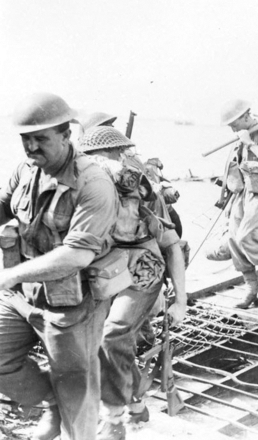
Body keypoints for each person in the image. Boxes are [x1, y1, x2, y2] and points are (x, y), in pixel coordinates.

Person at [0, 93, 119, 439]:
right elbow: (3, 207)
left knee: (77, 394)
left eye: (41, 139)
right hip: (23, 295)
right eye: (26, 139)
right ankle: (50, 404)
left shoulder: (93, 182)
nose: (31, 148)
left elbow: (75, 256)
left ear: (67, 136)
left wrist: (8, 276)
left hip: (74, 303)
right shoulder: (25, 170)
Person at [77, 126, 186, 439]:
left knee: (111, 335)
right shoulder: (84, 190)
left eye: (102, 157)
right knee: (88, 335)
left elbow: (172, 245)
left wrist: (180, 300)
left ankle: (114, 417)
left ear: (119, 154)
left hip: (143, 270)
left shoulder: (142, 190)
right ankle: (136, 400)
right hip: (102, 272)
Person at [220, 99, 258, 308]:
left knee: (247, 237)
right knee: (233, 238)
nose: (232, 128)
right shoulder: (243, 133)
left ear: (246, 116)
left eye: (234, 123)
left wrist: (250, 143)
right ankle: (251, 286)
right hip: (246, 191)